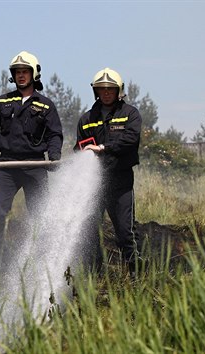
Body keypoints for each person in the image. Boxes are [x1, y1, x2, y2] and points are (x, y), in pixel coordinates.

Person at [0, 51, 63, 250]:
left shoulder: (46, 105)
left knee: (41, 216)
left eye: (25, 71)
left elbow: (54, 134)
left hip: (35, 165)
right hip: (7, 166)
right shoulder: (3, 102)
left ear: (34, 74)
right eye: (17, 72)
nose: (20, 75)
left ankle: (41, 260)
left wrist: (54, 156)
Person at [74, 67, 143, 273]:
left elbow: (130, 139)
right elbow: (79, 147)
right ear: (95, 91)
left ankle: (135, 273)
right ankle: (95, 277)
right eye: (101, 89)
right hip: (93, 183)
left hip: (120, 181)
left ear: (118, 90)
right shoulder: (86, 119)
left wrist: (104, 148)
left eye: (110, 89)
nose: (105, 93)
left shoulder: (130, 114)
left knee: (125, 232)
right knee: (90, 232)